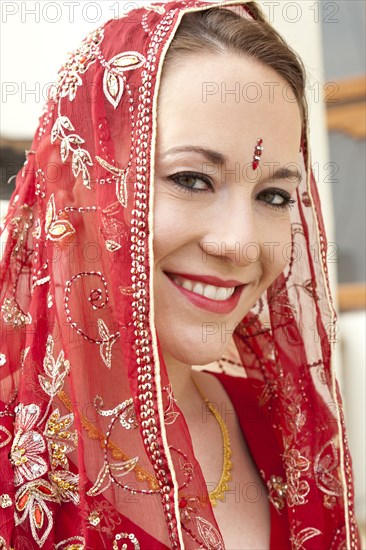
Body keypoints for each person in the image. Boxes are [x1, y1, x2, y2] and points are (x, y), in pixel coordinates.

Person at [0, 1, 361, 548]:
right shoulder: (13, 449)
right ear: (80, 185)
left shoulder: (284, 429)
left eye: (273, 195)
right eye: (192, 179)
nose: (239, 242)